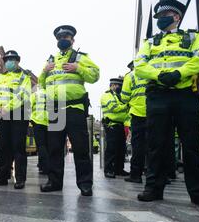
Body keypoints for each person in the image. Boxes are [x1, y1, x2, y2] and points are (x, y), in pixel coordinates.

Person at [134, 0, 199, 210]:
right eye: (158, 17)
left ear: (176, 17)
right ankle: (153, 188)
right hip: (158, 96)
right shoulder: (150, 42)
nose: (160, 20)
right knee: (156, 144)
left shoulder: (193, 37)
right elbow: (139, 66)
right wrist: (161, 75)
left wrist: (178, 73)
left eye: (164, 15)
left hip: (185, 96)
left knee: (191, 145)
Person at [39, 25, 100, 196]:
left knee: (80, 149)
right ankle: (54, 182)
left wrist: (78, 68)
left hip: (74, 107)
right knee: (55, 149)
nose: (62, 40)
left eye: (66, 37)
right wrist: (44, 71)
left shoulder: (80, 57)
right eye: (59, 38)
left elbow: (95, 75)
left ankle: (85, 184)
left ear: (73, 40)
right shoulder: (51, 60)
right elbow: (44, 84)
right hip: (55, 109)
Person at [0, 51, 32, 190]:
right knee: (3, 147)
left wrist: (8, 107)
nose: (9, 62)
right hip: (2, 115)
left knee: (18, 147)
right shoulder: (1, 77)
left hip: (18, 114)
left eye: (12, 59)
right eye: (7, 59)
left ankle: (20, 179)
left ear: (18, 61)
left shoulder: (24, 76)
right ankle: (2, 177)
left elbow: (24, 95)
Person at [121, 62, 148, 183]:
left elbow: (125, 97)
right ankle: (158, 174)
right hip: (154, 112)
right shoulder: (152, 71)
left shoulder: (131, 76)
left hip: (138, 113)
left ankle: (136, 175)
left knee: (138, 146)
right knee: (155, 145)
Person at [101, 78, 129, 179]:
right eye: (118, 86)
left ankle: (119, 169)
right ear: (112, 85)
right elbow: (114, 108)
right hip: (111, 125)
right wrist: (127, 106)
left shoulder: (119, 96)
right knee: (111, 149)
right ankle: (108, 170)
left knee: (121, 149)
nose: (120, 88)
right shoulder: (107, 95)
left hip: (120, 125)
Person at [30, 86, 49, 175]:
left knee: (41, 145)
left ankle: (43, 166)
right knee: (48, 145)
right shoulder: (52, 93)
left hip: (38, 121)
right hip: (50, 122)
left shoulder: (35, 95)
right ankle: (44, 165)